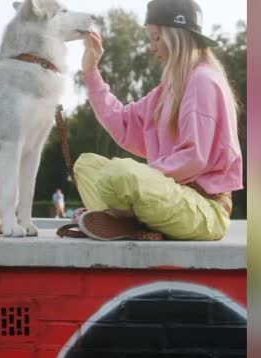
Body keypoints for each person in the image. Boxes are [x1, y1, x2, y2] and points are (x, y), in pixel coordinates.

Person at [74, 0, 243, 240]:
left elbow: (194, 158)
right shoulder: (169, 88)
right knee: (86, 165)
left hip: (205, 211)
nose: (152, 47)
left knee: (121, 174)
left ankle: (123, 218)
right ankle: (128, 222)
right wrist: (91, 72)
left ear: (176, 36)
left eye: (156, 37)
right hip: (168, 195)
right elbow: (123, 122)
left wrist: (140, 176)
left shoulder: (203, 81)